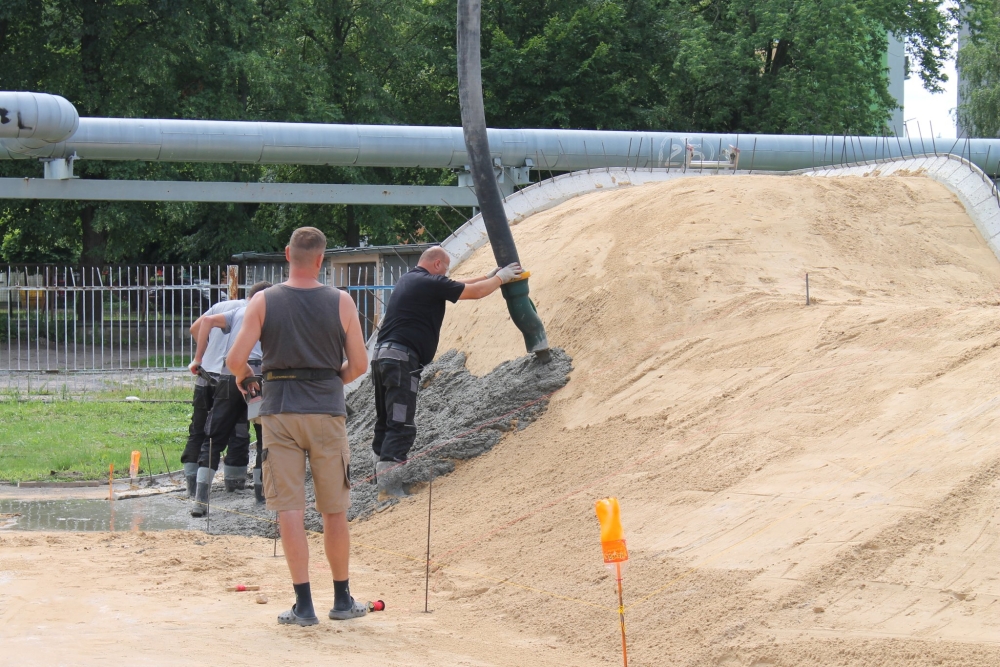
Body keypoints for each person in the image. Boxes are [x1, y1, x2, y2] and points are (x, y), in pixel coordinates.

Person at [227, 227, 370, 627]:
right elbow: (359, 365)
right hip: (326, 412)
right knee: (334, 509)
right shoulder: (341, 301)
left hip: (280, 411)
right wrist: (327, 383)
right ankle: (342, 599)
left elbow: (236, 359)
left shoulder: (263, 301)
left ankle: (303, 605)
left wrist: (245, 378)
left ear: (287, 253)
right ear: (321, 260)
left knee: (289, 508)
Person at [371, 246, 522, 499]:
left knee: (386, 419)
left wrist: (488, 275)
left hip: (382, 357)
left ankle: (377, 477)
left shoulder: (411, 279)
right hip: (401, 361)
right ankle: (389, 488)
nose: (448, 273)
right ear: (437, 264)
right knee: (400, 421)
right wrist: (501, 278)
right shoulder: (428, 282)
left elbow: (456, 283)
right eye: (447, 267)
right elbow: (473, 293)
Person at [188, 281, 272, 516]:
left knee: (213, 437)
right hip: (257, 378)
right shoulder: (271, 310)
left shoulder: (237, 311)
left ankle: (200, 502)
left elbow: (204, 322)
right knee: (265, 436)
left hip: (229, 375)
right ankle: (261, 496)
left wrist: (198, 359)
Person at [181, 297, 245, 498]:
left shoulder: (221, 306)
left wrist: (205, 354)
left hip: (204, 375)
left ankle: (192, 485)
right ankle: (234, 485)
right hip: (228, 378)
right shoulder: (254, 310)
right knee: (237, 429)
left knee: (198, 429)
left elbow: (194, 328)